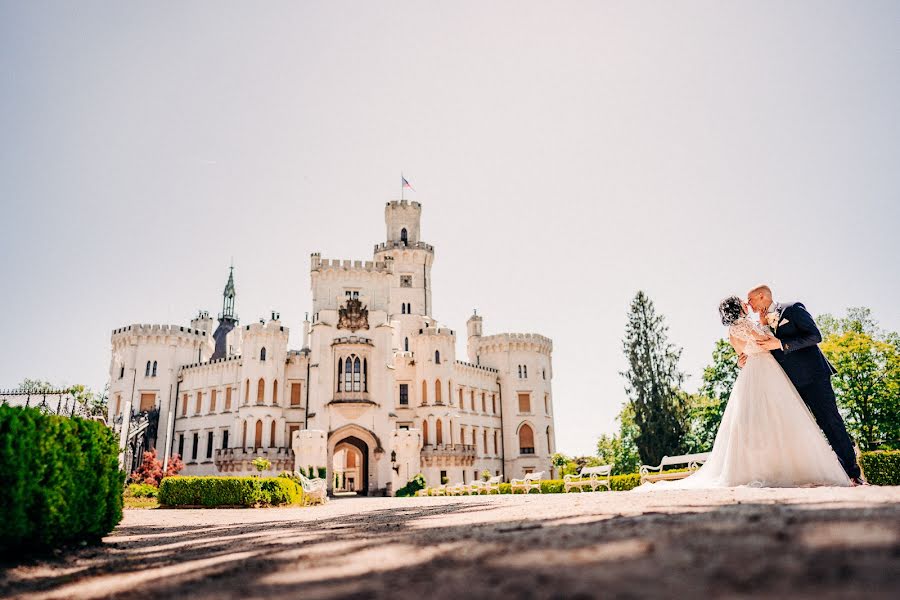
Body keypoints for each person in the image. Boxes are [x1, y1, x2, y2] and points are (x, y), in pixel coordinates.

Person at [635, 295, 850, 490]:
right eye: (743, 302)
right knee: (780, 419)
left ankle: (771, 466)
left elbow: (742, 355)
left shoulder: (732, 331)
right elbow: (765, 342)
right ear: (738, 308)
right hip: (765, 373)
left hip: (755, 373)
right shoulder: (746, 325)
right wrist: (765, 324)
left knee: (763, 423)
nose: (747, 304)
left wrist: (744, 355)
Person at [745, 285, 864, 485]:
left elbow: (815, 336)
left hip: (814, 377)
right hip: (787, 384)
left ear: (761, 296)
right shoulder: (760, 323)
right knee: (800, 429)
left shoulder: (792, 308)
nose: (749, 304)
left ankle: (852, 474)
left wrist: (781, 344)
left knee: (830, 422)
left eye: (751, 300)